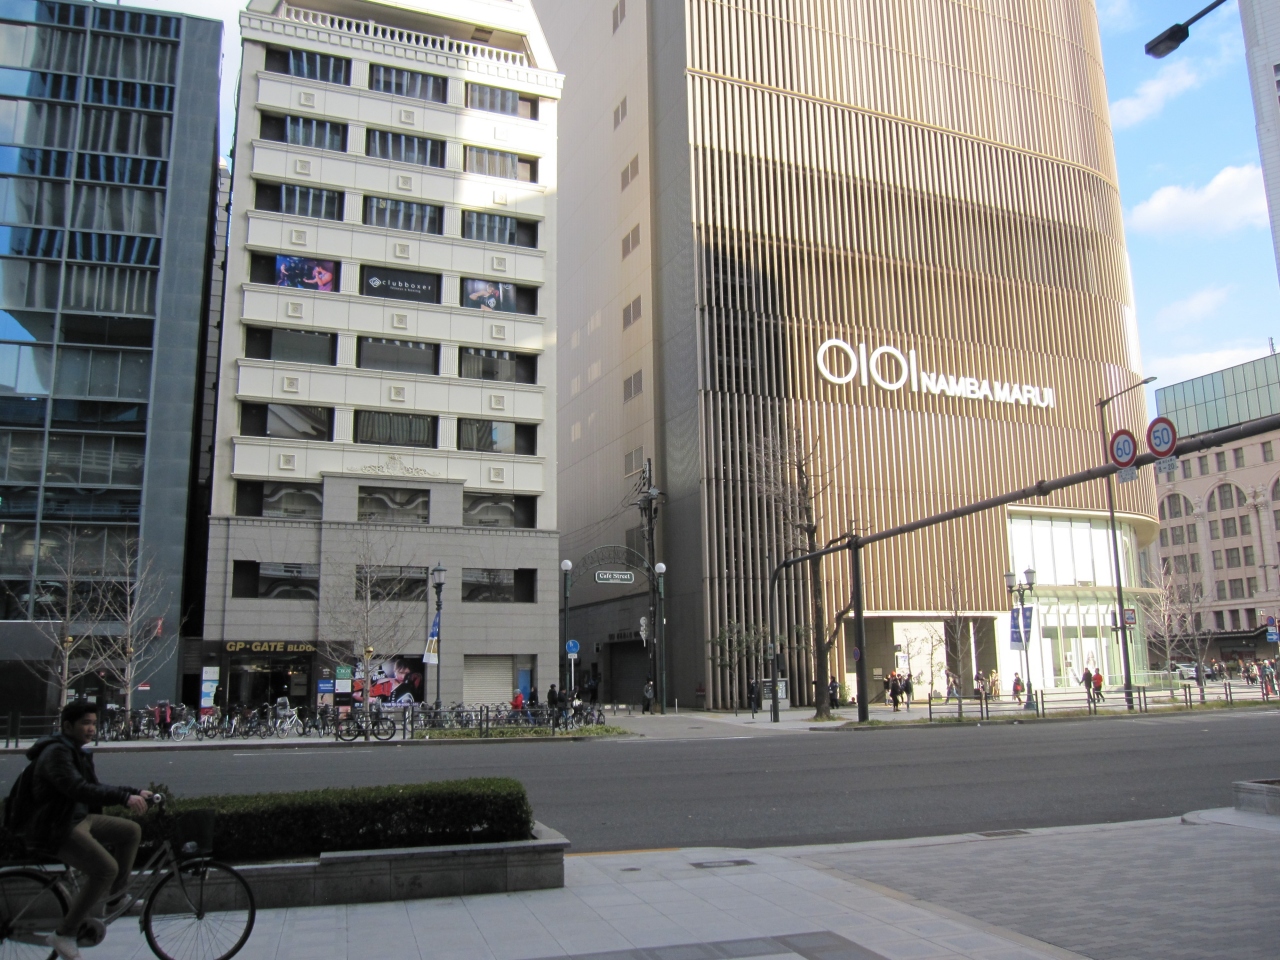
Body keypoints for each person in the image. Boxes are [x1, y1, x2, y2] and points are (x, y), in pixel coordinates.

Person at [22, 701, 152, 960]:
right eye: (85, 723)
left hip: (77, 819)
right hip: (56, 826)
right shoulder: (56, 753)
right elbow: (78, 789)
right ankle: (64, 933)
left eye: (93, 723)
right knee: (106, 869)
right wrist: (124, 798)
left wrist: (134, 792)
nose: (91, 728)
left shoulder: (76, 751)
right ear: (68, 726)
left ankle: (115, 898)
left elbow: (94, 786)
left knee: (130, 831)